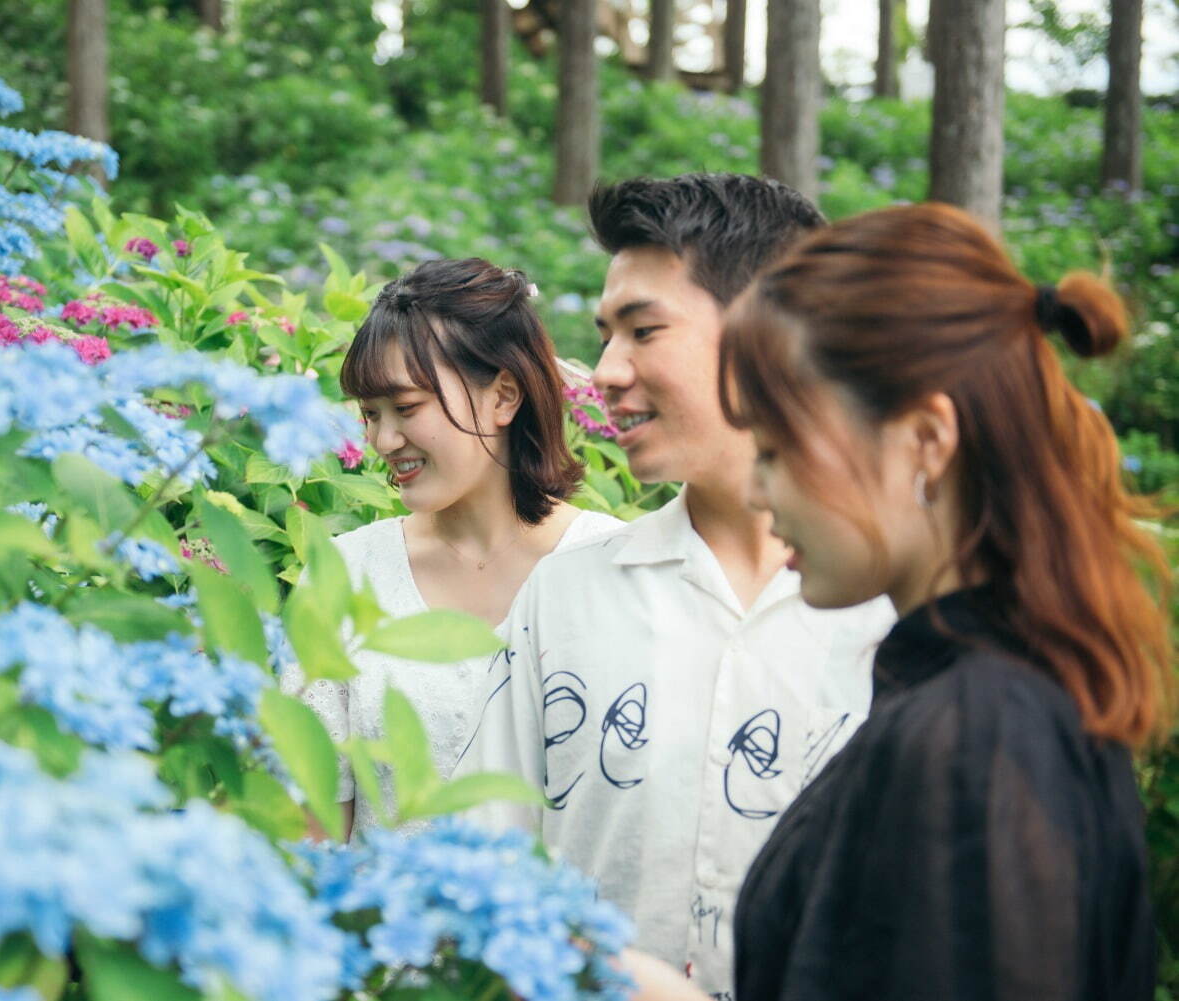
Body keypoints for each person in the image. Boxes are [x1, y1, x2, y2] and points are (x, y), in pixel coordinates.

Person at [701, 202, 1169, 1000]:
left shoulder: (976, 739)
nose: (754, 489)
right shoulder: (994, 691)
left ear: (925, 439)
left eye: (775, 450)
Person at [453, 174, 895, 998]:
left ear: (777, 333)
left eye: (644, 330)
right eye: (605, 334)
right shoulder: (566, 598)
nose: (606, 370)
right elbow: (485, 860)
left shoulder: (898, 612)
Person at [284, 257, 623, 842]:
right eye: (370, 414)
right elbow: (313, 840)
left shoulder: (612, 568)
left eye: (407, 408)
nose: (383, 441)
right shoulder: (345, 574)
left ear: (504, 397)